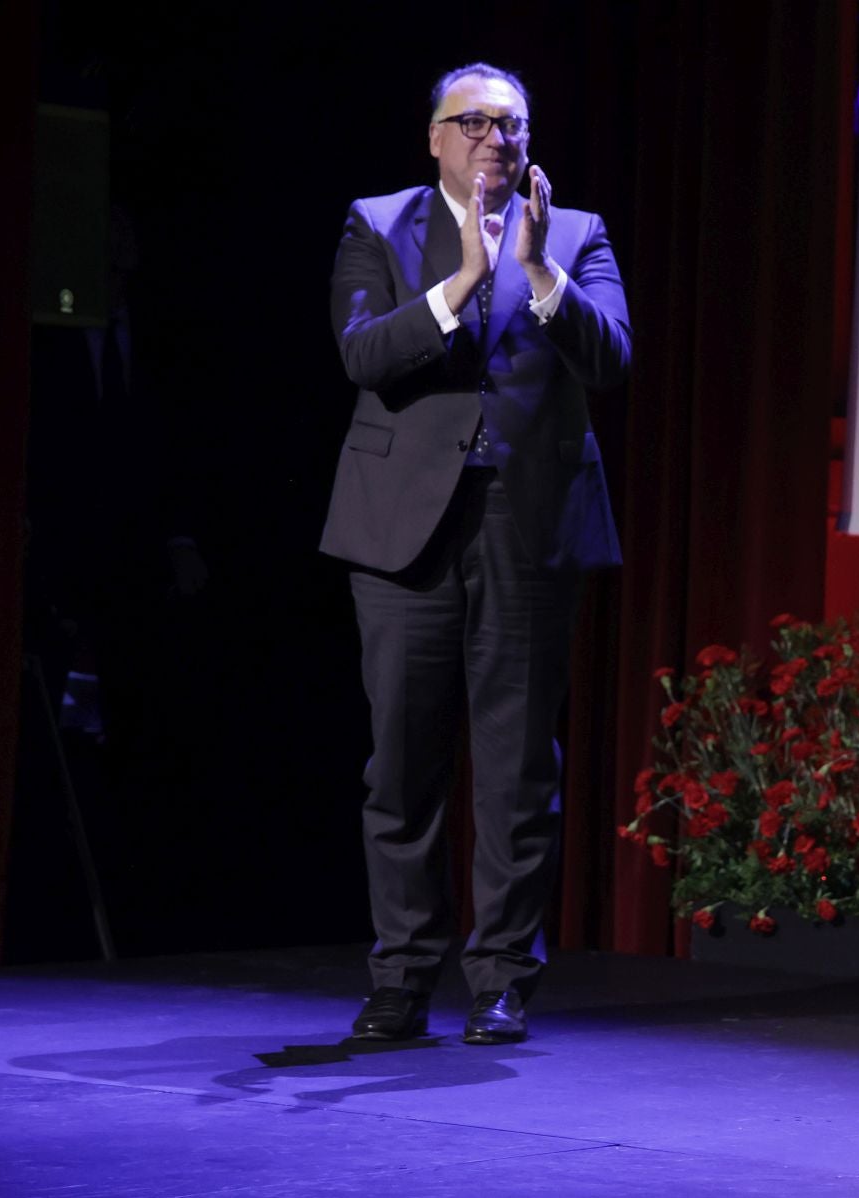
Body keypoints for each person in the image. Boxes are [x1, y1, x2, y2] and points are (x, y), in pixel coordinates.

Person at [321, 62, 630, 1045]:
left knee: (514, 767)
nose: (498, 138)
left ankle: (499, 979)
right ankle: (401, 977)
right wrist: (461, 280)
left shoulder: (576, 234)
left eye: (514, 124)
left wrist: (535, 272)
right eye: (477, 122)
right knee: (402, 764)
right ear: (437, 137)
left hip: (527, 524)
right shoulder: (378, 223)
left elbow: (613, 357)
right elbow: (364, 356)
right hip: (401, 525)